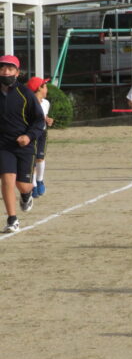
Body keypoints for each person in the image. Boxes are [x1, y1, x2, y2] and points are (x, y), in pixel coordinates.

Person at [0, 55, 44, 233]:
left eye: (10, 69)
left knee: (22, 185)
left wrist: (28, 136)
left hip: (25, 144)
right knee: (7, 179)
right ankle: (12, 219)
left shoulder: (25, 94)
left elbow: (39, 121)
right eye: (3, 68)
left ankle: (26, 194)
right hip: (3, 144)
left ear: (17, 73)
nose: (6, 72)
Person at [27, 76, 53, 198]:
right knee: (31, 161)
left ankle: (40, 180)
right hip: (31, 134)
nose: (47, 88)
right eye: (45, 86)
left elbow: (44, 117)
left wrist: (47, 120)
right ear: (39, 88)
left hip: (42, 133)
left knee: (40, 158)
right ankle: (33, 186)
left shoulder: (46, 103)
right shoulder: (28, 103)